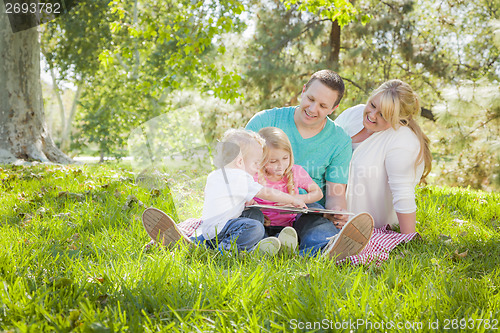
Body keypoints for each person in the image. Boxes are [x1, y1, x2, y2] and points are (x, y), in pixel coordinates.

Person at [142, 128, 307, 255]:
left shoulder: (217, 175)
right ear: (240, 161)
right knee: (254, 227)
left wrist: (245, 201)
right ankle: (224, 252)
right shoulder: (239, 177)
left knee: (254, 214)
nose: (258, 167)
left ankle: (196, 243)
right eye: (256, 163)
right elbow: (267, 193)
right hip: (221, 230)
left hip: (212, 227)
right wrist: (293, 200)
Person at [246, 69, 356, 255]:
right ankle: (263, 244)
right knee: (249, 221)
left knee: (319, 225)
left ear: (333, 109)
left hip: (303, 210)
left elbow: (335, 192)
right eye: (310, 99)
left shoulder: (339, 140)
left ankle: (318, 247)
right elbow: (239, 171)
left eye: (322, 105)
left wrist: (337, 211)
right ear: (303, 90)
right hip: (260, 205)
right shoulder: (265, 121)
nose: (313, 109)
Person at [334, 79, 432, 233]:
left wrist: (408, 238)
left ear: (399, 119)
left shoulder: (403, 140)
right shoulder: (353, 114)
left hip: (361, 224)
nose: (372, 116)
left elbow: (403, 192)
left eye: (383, 115)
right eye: (372, 105)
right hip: (325, 208)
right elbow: (325, 147)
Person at [254, 127, 323, 236]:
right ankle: (271, 243)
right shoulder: (255, 175)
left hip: (293, 226)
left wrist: (296, 198)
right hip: (264, 226)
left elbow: (318, 193)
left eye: (285, 158)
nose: (281, 166)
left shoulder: (296, 171)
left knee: (316, 209)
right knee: (251, 217)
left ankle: (319, 242)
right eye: (273, 161)